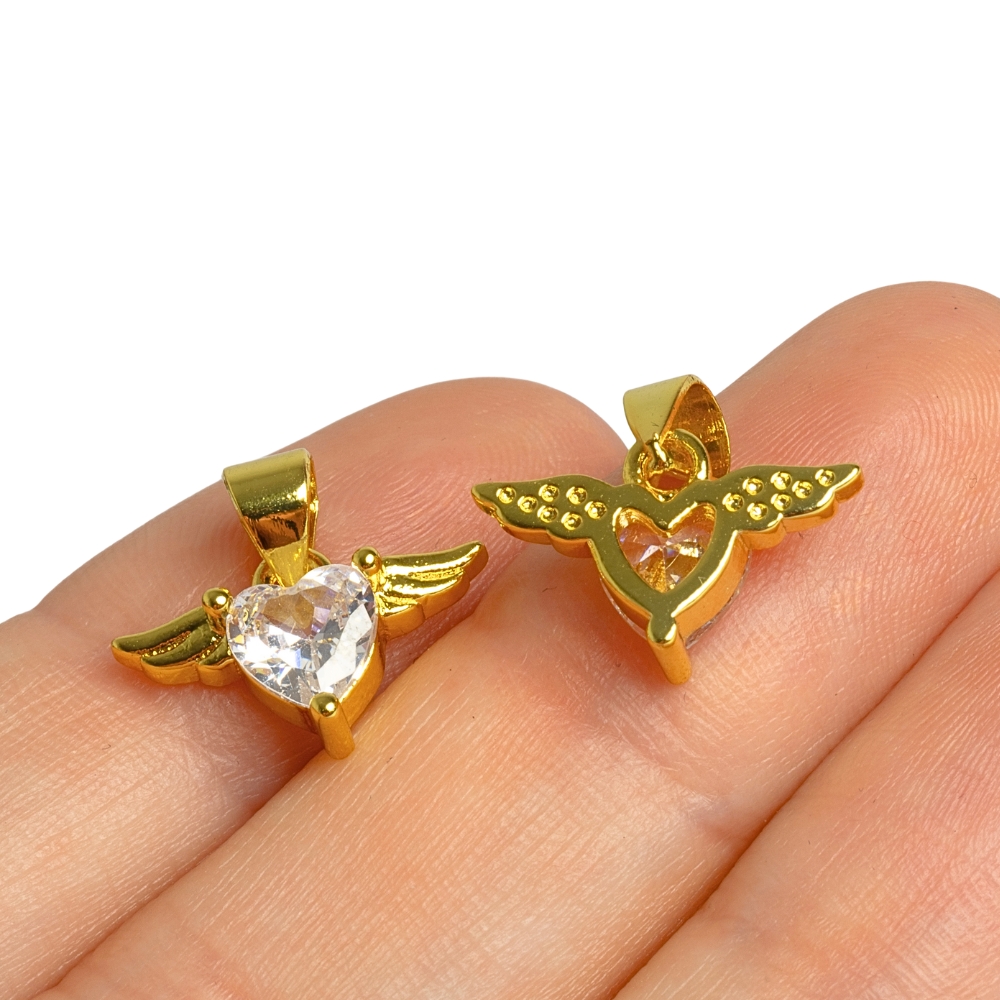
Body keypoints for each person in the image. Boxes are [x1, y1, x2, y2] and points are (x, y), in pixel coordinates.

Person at [3, 281, 999, 999]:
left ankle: (655, 627)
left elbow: (794, 490)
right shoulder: (260, 610)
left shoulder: (671, 507)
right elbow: (511, 512)